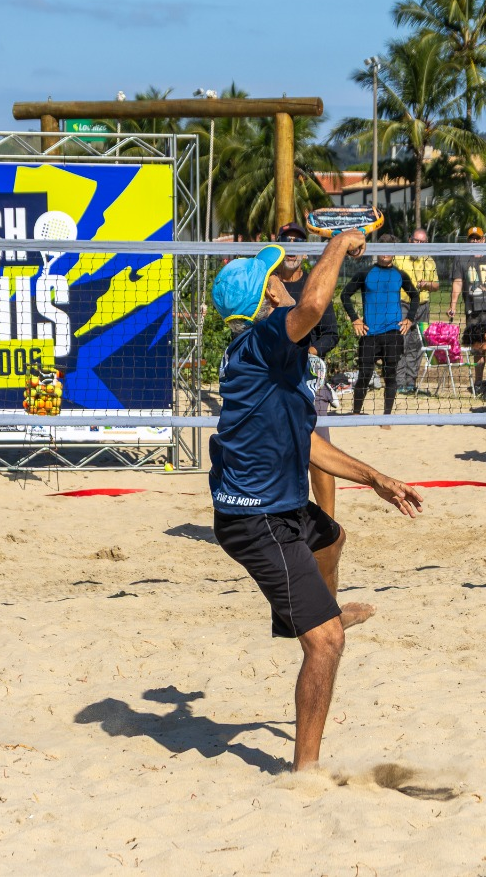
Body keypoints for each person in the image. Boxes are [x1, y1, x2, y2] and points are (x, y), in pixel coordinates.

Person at [207, 231, 423, 772]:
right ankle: (305, 776)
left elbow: (307, 445)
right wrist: (342, 242)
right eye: (274, 275)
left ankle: (310, 614)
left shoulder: (271, 359)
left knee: (331, 534)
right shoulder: (262, 340)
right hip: (255, 518)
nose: (283, 278)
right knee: (325, 645)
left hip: (274, 504)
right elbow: (316, 304)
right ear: (262, 297)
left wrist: (375, 478)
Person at [277, 222, 342, 519]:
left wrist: (309, 353)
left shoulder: (313, 285)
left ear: (304, 250)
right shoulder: (267, 282)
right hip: (273, 379)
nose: (292, 246)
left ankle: (328, 523)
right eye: (286, 240)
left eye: (297, 241)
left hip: (308, 379)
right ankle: (281, 517)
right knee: (276, 455)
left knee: (320, 455)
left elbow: (331, 333)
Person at [342, 252, 419, 420]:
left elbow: (415, 295)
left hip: (393, 333)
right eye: (382, 250)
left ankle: (386, 417)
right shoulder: (365, 273)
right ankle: (355, 413)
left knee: (390, 375)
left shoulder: (399, 274)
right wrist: (355, 319)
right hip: (370, 334)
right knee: (364, 375)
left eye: (389, 250)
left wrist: (410, 319)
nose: (385, 254)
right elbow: (345, 295)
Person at [449, 227, 486, 392]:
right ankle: (478, 383)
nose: (474, 241)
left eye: (478, 238)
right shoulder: (461, 258)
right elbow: (458, 282)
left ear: (483, 240)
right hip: (473, 309)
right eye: (472, 239)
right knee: (477, 347)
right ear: (468, 240)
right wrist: (452, 305)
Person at [392, 230, 442, 395]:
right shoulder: (398, 258)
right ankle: (399, 382)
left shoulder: (429, 260)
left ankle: (410, 382)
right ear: (409, 240)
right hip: (402, 304)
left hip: (422, 305)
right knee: (401, 343)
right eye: (416, 241)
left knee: (417, 344)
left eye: (422, 242)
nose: (418, 245)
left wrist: (427, 284)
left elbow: (436, 285)